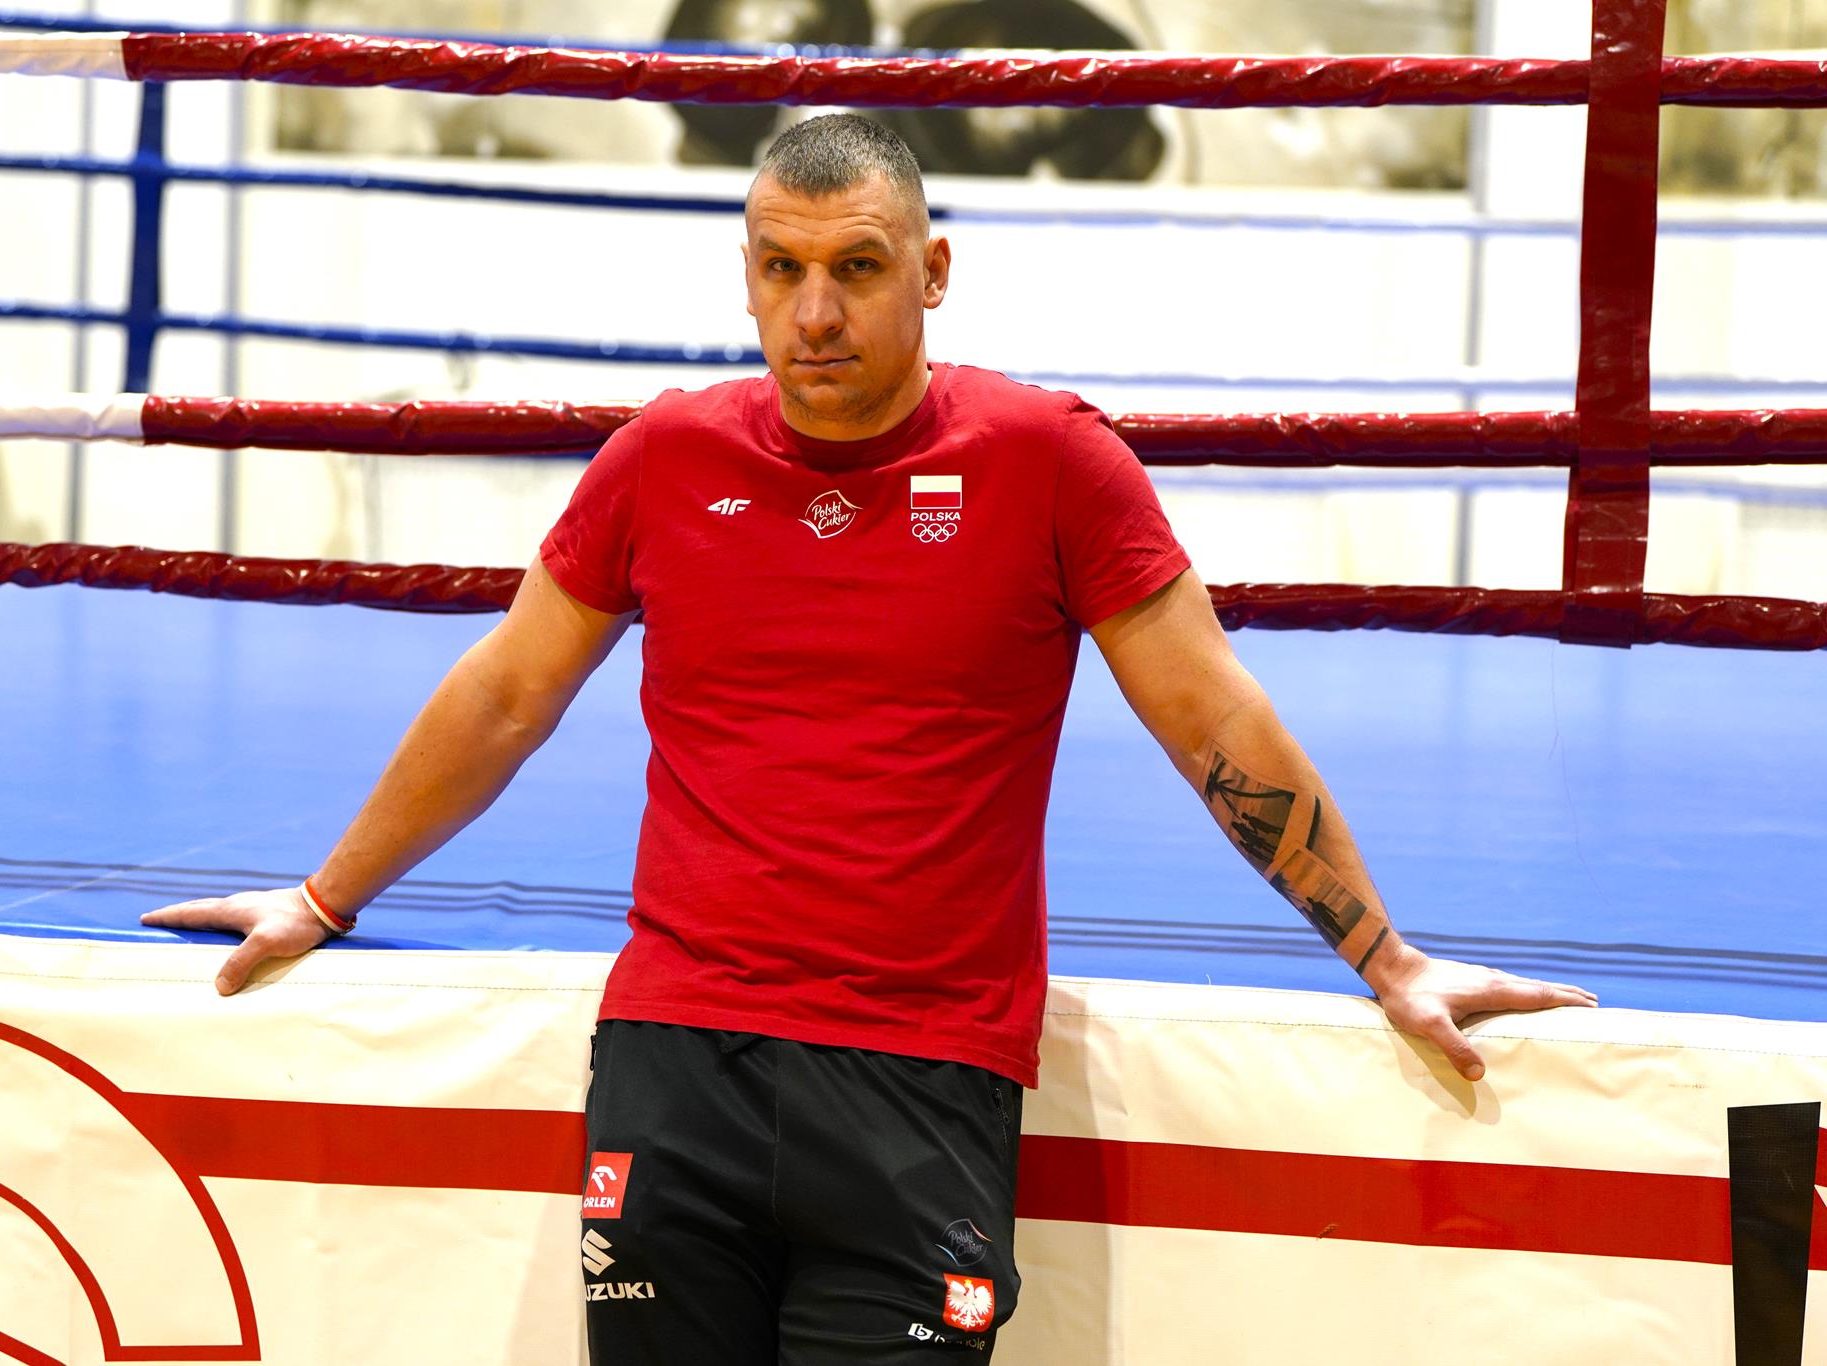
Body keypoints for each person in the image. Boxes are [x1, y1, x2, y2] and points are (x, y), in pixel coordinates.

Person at [143, 113, 1596, 1364]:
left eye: (856, 268)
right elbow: (506, 694)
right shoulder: (666, 457)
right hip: (678, 1055)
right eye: (782, 271)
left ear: (932, 272)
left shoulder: (1048, 461)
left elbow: (1211, 715)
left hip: (921, 1072)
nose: (816, 314)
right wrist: (325, 895)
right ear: (747, 278)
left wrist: (1384, 955)